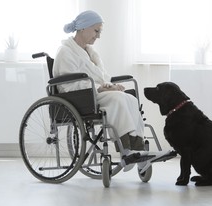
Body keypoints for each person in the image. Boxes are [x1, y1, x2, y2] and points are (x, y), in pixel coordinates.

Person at [53, 10, 145, 152]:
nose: (99, 36)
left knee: (130, 99)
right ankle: (126, 148)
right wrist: (100, 88)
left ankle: (138, 147)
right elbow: (67, 85)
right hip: (81, 97)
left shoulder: (90, 52)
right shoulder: (65, 52)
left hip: (94, 93)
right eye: (96, 31)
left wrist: (111, 85)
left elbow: (101, 77)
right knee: (118, 99)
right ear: (83, 27)